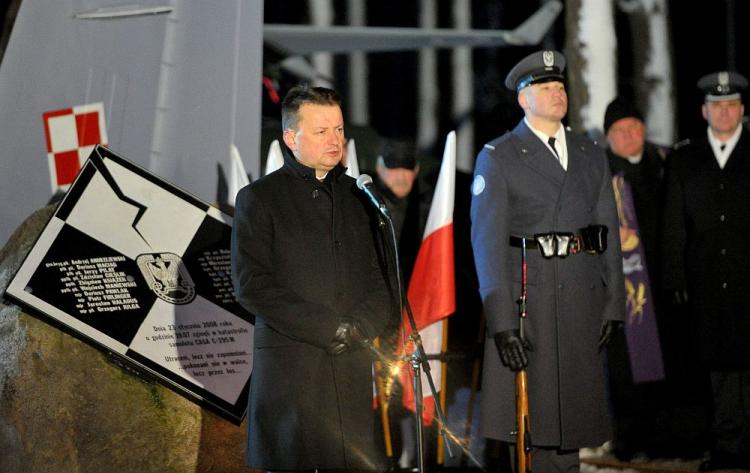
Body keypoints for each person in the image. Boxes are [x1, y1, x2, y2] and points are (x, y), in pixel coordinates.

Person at [470, 50, 626, 472]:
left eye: (560, 86)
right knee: (535, 426)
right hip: (530, 306)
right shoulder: (499, 156)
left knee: (571, 424)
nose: (557, 94)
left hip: (579, 301)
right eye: (545, 87)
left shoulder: (590, 152)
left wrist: (614, 305)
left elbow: (606, 232)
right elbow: (486, 248)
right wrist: (501, 324)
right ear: (523, 99)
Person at [231, 85, 397, 471]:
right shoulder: (259, 198)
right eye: (322, 131)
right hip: (293, 374)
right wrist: (330, 328)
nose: (335, 140)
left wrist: (360, 327)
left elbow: (384, 282)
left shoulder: (362, 197)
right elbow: (251, 285)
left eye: (339, 129)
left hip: (350, 372)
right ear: (291, 138)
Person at [661, 71, 750, 471]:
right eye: (717, 105)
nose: (724, 111)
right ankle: (726, 444)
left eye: (731, 104)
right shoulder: (684, 158)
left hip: (748, 278)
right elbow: (673, 224)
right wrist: (675, 277)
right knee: (716, 365)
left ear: (742, 110)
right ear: (704, 111)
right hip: (706, 278)